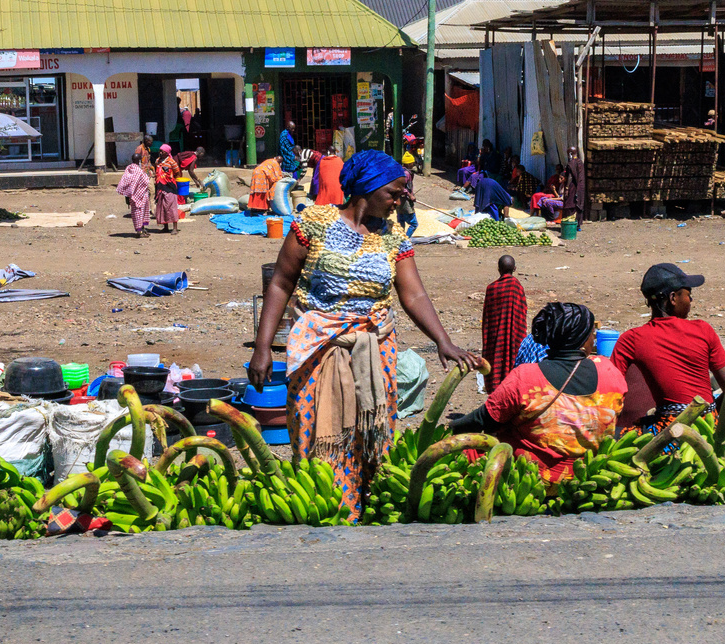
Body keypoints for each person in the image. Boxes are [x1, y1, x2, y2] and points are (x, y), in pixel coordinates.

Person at [249, 149, 479, 522]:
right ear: (367, 189)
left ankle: (366, 508)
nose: (399, 200)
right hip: (317, 350)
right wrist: (263, 347)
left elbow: (414, 294)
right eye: (394, 192)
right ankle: (322, 506)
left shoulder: (394, 239)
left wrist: (443, 340)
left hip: (375, 353)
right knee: (315, 431)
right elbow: (280, 283)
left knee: (370, 433)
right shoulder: (314, 223)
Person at [450, 302, 627, 484]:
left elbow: (482, 420)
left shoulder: (526, 377)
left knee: (468, 452)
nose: (594, 340)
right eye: (592, 335)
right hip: (589, 475)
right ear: (583, 340)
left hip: (531, 477)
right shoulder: (608, 371)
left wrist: (449, 429)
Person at [611, 263, 725, 438]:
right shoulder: (703, 330)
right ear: (673, 298)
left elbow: (611, 391)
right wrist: (708, 414)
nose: (691, 300)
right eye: (688, 294)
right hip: (709, 428)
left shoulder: (631, 339)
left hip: (667, 432)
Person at [481, 255, 528, 392]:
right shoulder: (517, 287)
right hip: (514, 336)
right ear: (514, 268)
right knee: (513, 360)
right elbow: (521, 313)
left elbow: (488, 318)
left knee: (495, 360)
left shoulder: (491, 288)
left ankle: (495, 390)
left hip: (495, 337)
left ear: (498, 269)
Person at [115, 152, 153, 236]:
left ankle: (142, 229)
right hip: (140, 195)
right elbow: (145, 181)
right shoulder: (139, 171)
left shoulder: (129, 169)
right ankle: (140, 231)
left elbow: (125, 181)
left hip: (133, 196)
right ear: (139, 161)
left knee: (137, 213)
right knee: (140, 213)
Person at [154, 144, 181, 233]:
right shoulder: (158, 161)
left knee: (171, 207)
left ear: (167, 152)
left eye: (162, 151)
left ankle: (175, 228)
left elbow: (177, 173)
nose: (160, 153)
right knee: (162, 207)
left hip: (170, 187)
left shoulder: (171, 162)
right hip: (160, 187)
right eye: (160, 151)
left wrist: (170, 179)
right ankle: (165, 227)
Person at [396, 152, 418, 237]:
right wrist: (410, 195)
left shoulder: (402, 171)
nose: (413, 164)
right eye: (412, 162)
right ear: (409, 163)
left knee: (401, 222)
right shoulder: (406, 174)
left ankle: (400, 239)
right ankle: (406, 239)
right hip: (404, 200)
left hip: (399, 199)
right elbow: (401, 187)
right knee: (414, 224)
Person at [562, 146, 586, 221]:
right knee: (578, 203)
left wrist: (566, 188)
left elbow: (570, 176)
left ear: (570, 154)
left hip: (572, 187)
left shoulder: (571, 163)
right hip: (580, 187)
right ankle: (578, 224)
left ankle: (570, 222)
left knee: (570, 204)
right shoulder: (580, 162)